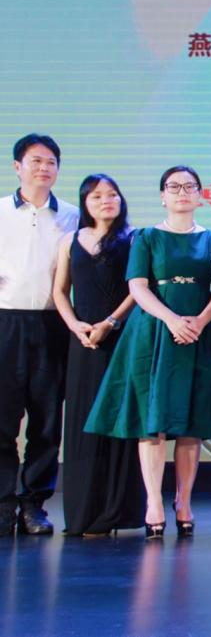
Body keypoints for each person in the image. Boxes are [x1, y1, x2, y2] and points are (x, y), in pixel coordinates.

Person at [85, 166, 211, 538]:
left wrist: (199, 321)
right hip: (153, 333)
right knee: (152, 421)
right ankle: (153, 502)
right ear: (162, 196)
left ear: (201, 195)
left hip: (197, 333)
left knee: (191, 423)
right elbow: (138, 287)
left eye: (189, 186)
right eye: (173, 187)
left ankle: (184, 501)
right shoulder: (146, 237)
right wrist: (172, 320)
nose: (182, 192)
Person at [52, 174, 143, 536]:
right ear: (85, 203)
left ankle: (118, 511)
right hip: (83, 341)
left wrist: (110, 322)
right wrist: (75, 326)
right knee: (82, 419)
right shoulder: (69, 240)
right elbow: (60, 291)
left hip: (122, 338)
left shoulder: (135, 239)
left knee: (121, 418)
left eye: (112, 194)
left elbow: (139, 290)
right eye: (97, 196)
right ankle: (83, 513)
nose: (106, 200)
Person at [0, 133, 78, 536]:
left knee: (47, 421)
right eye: (35, 161)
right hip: (6, 323)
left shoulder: (72, 215)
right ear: (18, 167)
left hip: (52, 324)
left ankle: (34, 505)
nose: (44, 168)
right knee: (3, 421)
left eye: (51, 162)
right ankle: (2, 504)